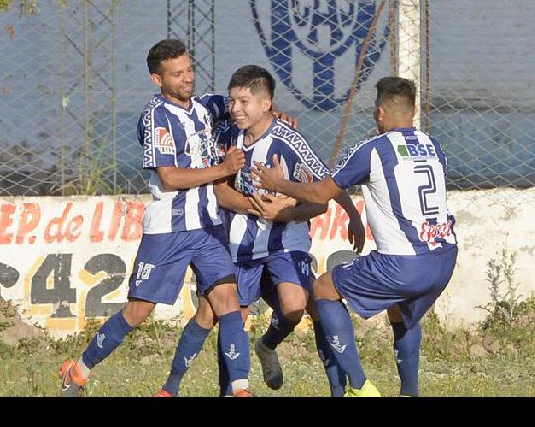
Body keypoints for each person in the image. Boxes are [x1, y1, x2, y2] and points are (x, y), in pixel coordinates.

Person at [59, 39, 256, 397]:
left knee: (228, 302)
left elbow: (244, 105)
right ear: (157, 79)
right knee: (139, 311)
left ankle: (241, 389)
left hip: (208, 226)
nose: (187, 79)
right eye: (177, 74)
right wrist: (222, 168)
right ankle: (78, 369)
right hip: (169, 229)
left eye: (190, 70)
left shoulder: (205, 107)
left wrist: (275, 118)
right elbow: (170, 177)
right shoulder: (156, 118)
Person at [155, 65, 363, 397]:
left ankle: (271, 347)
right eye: (233, 100)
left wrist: (351, 214)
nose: (235, 109)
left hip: (285, 241)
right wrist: (255, 206)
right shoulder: (225, 135)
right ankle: (183, 386)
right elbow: (221, 191)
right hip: (238, 243)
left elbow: (326, 183)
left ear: (266, 104)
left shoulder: (288, 138)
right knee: (219, 314)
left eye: (244, 101)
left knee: (298, 305)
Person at [252, 76, 458, 397]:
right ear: (414, 111)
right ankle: (409, 392)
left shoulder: (371, 150)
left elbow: (321, 192)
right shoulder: (435, 147)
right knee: (401, 309)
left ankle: (359, 387)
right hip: (443, 258)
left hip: (403, 263)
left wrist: (280, 184)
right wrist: (357, 217)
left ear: (379, 113)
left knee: (323, 290)